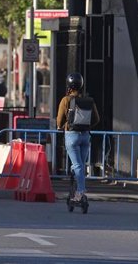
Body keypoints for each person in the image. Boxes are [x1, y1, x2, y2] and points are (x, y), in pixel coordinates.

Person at [56, 72, 100, 202]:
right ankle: (75, 173)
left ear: (69, 86)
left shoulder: (66, 100)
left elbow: (59, 121)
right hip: (86, 136)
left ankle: (80, 192)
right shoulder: (89, 100)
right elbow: (96, 118)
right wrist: (87, 125)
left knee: (78, 165)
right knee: (81, 164)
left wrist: (61, 126)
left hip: (71, 135)